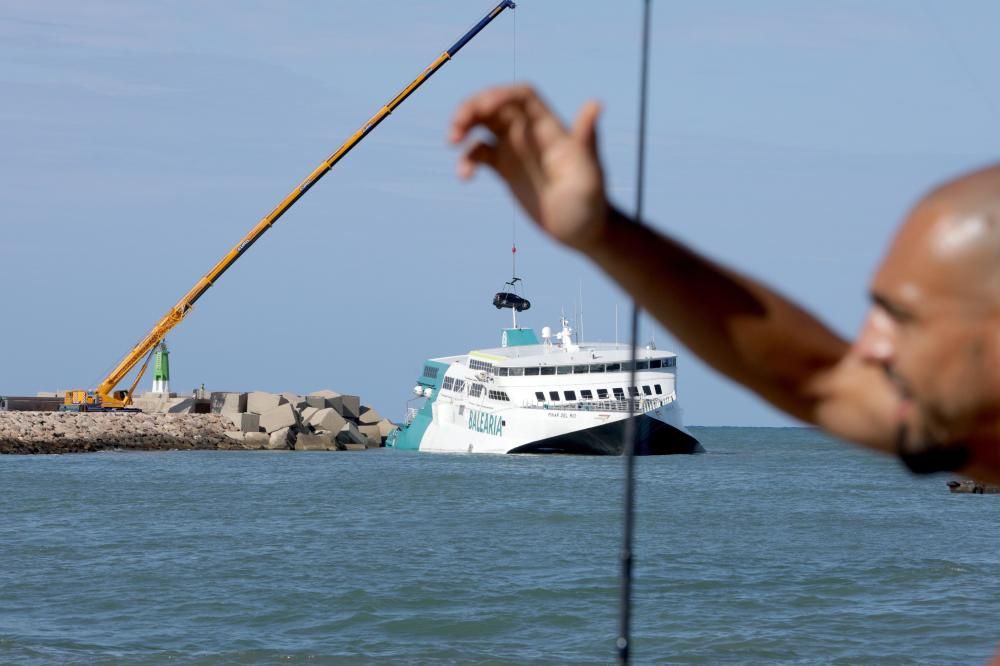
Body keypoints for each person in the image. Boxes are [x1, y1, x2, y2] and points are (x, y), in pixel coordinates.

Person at [449, 84, 1000, 482]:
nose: (871, 346)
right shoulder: (964, 429)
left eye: (901, 318)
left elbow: (823, 380)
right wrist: (603, 235)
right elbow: (817, 379)